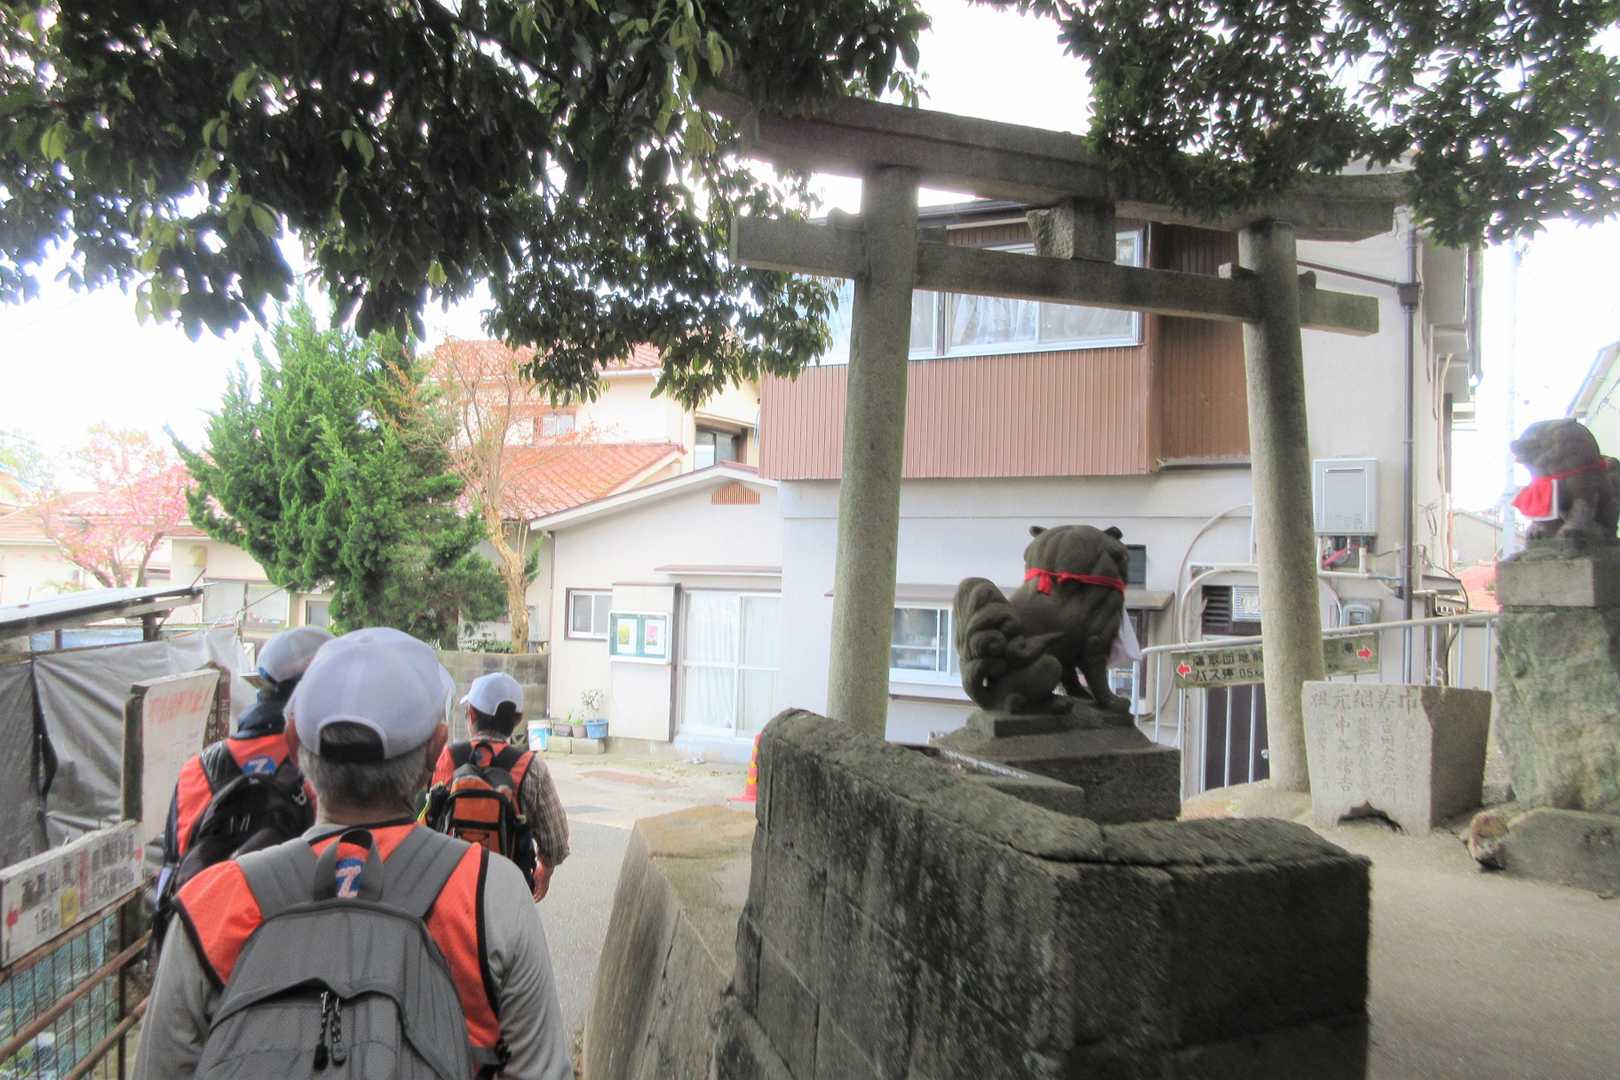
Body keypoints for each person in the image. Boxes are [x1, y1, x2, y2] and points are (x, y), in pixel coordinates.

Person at [135, 627, 573, 1079]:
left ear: (293, 739)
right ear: (435, 748)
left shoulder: (208, 906)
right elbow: (542, 1071)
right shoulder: (491, 893)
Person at [150, 625, 331, 949]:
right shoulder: (324, 770)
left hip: (203, 948)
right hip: (292, 952)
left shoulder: (197, 769)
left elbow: (171, 870)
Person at [426, 672, 570, 900]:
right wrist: (546, 869)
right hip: (507, 893)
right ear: (518, 719)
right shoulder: (532, 767)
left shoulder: (446, 758)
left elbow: (427, 822)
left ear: (471, 714)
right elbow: (556, 843)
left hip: (450, 889)